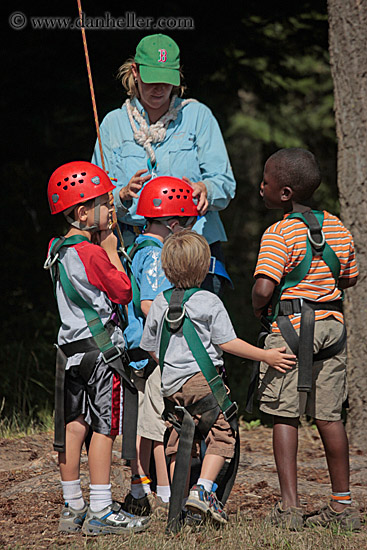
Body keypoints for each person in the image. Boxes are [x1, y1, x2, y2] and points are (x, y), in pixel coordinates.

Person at [139, 230, 296, 525]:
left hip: (170, 385)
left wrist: (173, 366)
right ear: (204, 269)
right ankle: (203, 490)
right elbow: (228, 343)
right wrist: (267, 356)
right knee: (222, 434)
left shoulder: (159, 302)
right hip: (204, 382)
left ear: (166, 268)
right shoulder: (209, 302)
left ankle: (179, 504)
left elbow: (150, 347)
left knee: (178, 439)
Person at [252, 148, 360, 531]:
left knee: (285, 413)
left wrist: (257, 308)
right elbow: (350, 277)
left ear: (284, 193)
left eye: (266, 181)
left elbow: (265, 288)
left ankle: (290, 508)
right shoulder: (336, 226)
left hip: (291, 329)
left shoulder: (279, 232)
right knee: (329, 415)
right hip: (331, 328)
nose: (260, 186)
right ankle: (343, 505)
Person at [44, 161, 150, 536]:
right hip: (101, 354)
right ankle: (103, 509)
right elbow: (123, 292)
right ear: (83, 212)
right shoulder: (91, 253)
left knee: (74, 427)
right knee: (104, 428)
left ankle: (73, 506)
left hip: (71, 352)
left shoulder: (58, 248)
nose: (112, 211)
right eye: (106, 204)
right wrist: (111, 249)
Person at [91, 33, 236, 296]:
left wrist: (207, 189)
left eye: (166, 82)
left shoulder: (198, 117)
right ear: (135, 72)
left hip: (195, 250)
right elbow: (95, 198)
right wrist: (121, 195)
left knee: (199, 331)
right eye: (151, 80)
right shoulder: (113, 124)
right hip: (136, 249)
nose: (159, 89)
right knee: (142, 333)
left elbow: (225, 183)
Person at [122, 175, 198, 518]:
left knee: (148, 421)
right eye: (189, 225)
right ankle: (158, 492)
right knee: (155, 424)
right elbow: (150, 304)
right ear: (174, 222)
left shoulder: (140, 247)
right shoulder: (154, 256)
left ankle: (144, 486)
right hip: (151, 350)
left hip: (144, 347)